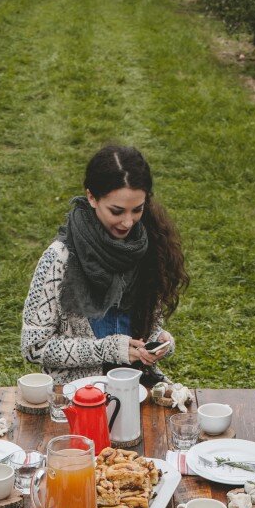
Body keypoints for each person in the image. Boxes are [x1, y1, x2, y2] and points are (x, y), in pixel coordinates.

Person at [21, 144, 188, 387]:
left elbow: (148, 325)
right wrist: (109, 349)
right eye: (117, 211)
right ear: (92, 197)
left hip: (138, 387)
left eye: (137, 209)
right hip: (77, 396)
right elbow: (34, 347)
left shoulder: (150, 248)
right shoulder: (59, 258)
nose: (128, 222)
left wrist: (157, 341)